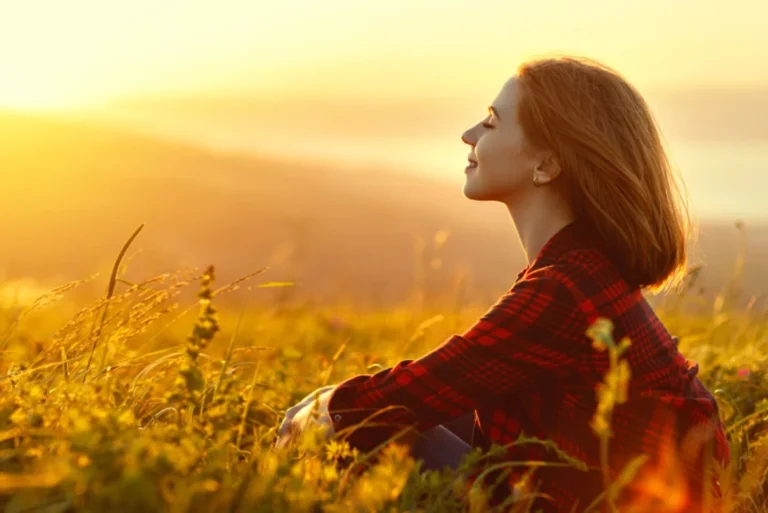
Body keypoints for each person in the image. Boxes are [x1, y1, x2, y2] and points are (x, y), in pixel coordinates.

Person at [276, 56, 731, 512]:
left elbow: (413, 392)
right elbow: (455, 381)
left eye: (492, 123)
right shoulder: (582, 268)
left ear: (547, 164)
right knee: (408, 410)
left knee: (369, 431)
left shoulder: (564, 288)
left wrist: (319, 413)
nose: (469, 134)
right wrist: (330, 404)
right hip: (603, 491)